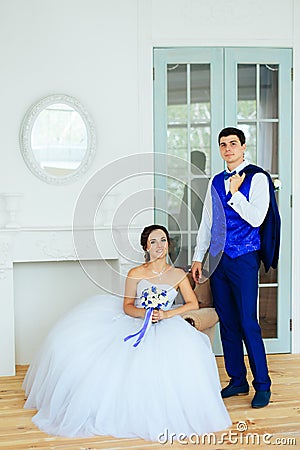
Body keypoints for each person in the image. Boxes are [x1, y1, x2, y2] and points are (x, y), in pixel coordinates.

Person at [23, 224, 231, 442]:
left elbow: (192, 304)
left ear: (169, 244)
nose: (159, 245)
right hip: (137, 321)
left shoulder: (178, 274)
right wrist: (145, 314)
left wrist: (168, 315)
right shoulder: (136, 273)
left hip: (168, 324)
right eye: (153, 242)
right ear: (146, 247)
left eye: (162, 240)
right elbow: (128, 306)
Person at [192, 127, 274, 409]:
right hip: (218, 259)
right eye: (223, 144)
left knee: (248, 323)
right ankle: (237, 379)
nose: (228, 148)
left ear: (243, 147)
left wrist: (236, 194)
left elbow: (256, 219)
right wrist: (197, 256)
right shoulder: (215, 181)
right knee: (227, 321)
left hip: (244, 258)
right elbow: (207, 221)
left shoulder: (259, 178)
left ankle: (262, 384)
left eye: (233, 143)